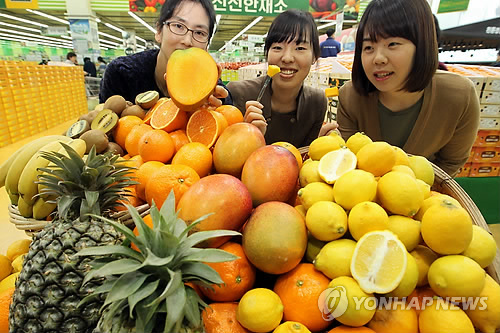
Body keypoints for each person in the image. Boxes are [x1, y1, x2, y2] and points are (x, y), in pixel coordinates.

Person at [337, 0, 479, 177]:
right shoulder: (350, 97)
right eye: (368, 47)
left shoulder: (459, 96)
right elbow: (348, 163)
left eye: (392, 44)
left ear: (422, 45)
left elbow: (451, 162)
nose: (378, 58)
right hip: (361, 197)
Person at [99, 0, 231, 106]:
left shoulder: (209, 82)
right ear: (159, 32)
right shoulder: (121, 74)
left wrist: (212, 109)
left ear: (206, 46)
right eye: (178, 26)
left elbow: (229, 108)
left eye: (199, 33)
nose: (187, 41)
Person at [228, 9, 327, 148]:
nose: (287, 58)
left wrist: (321, 146)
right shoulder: (238, 94)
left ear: (314, 56)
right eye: (277, 47)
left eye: (300, 48)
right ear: (267, 53)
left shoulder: (317, 103)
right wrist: (246, 137)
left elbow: (306, 164)